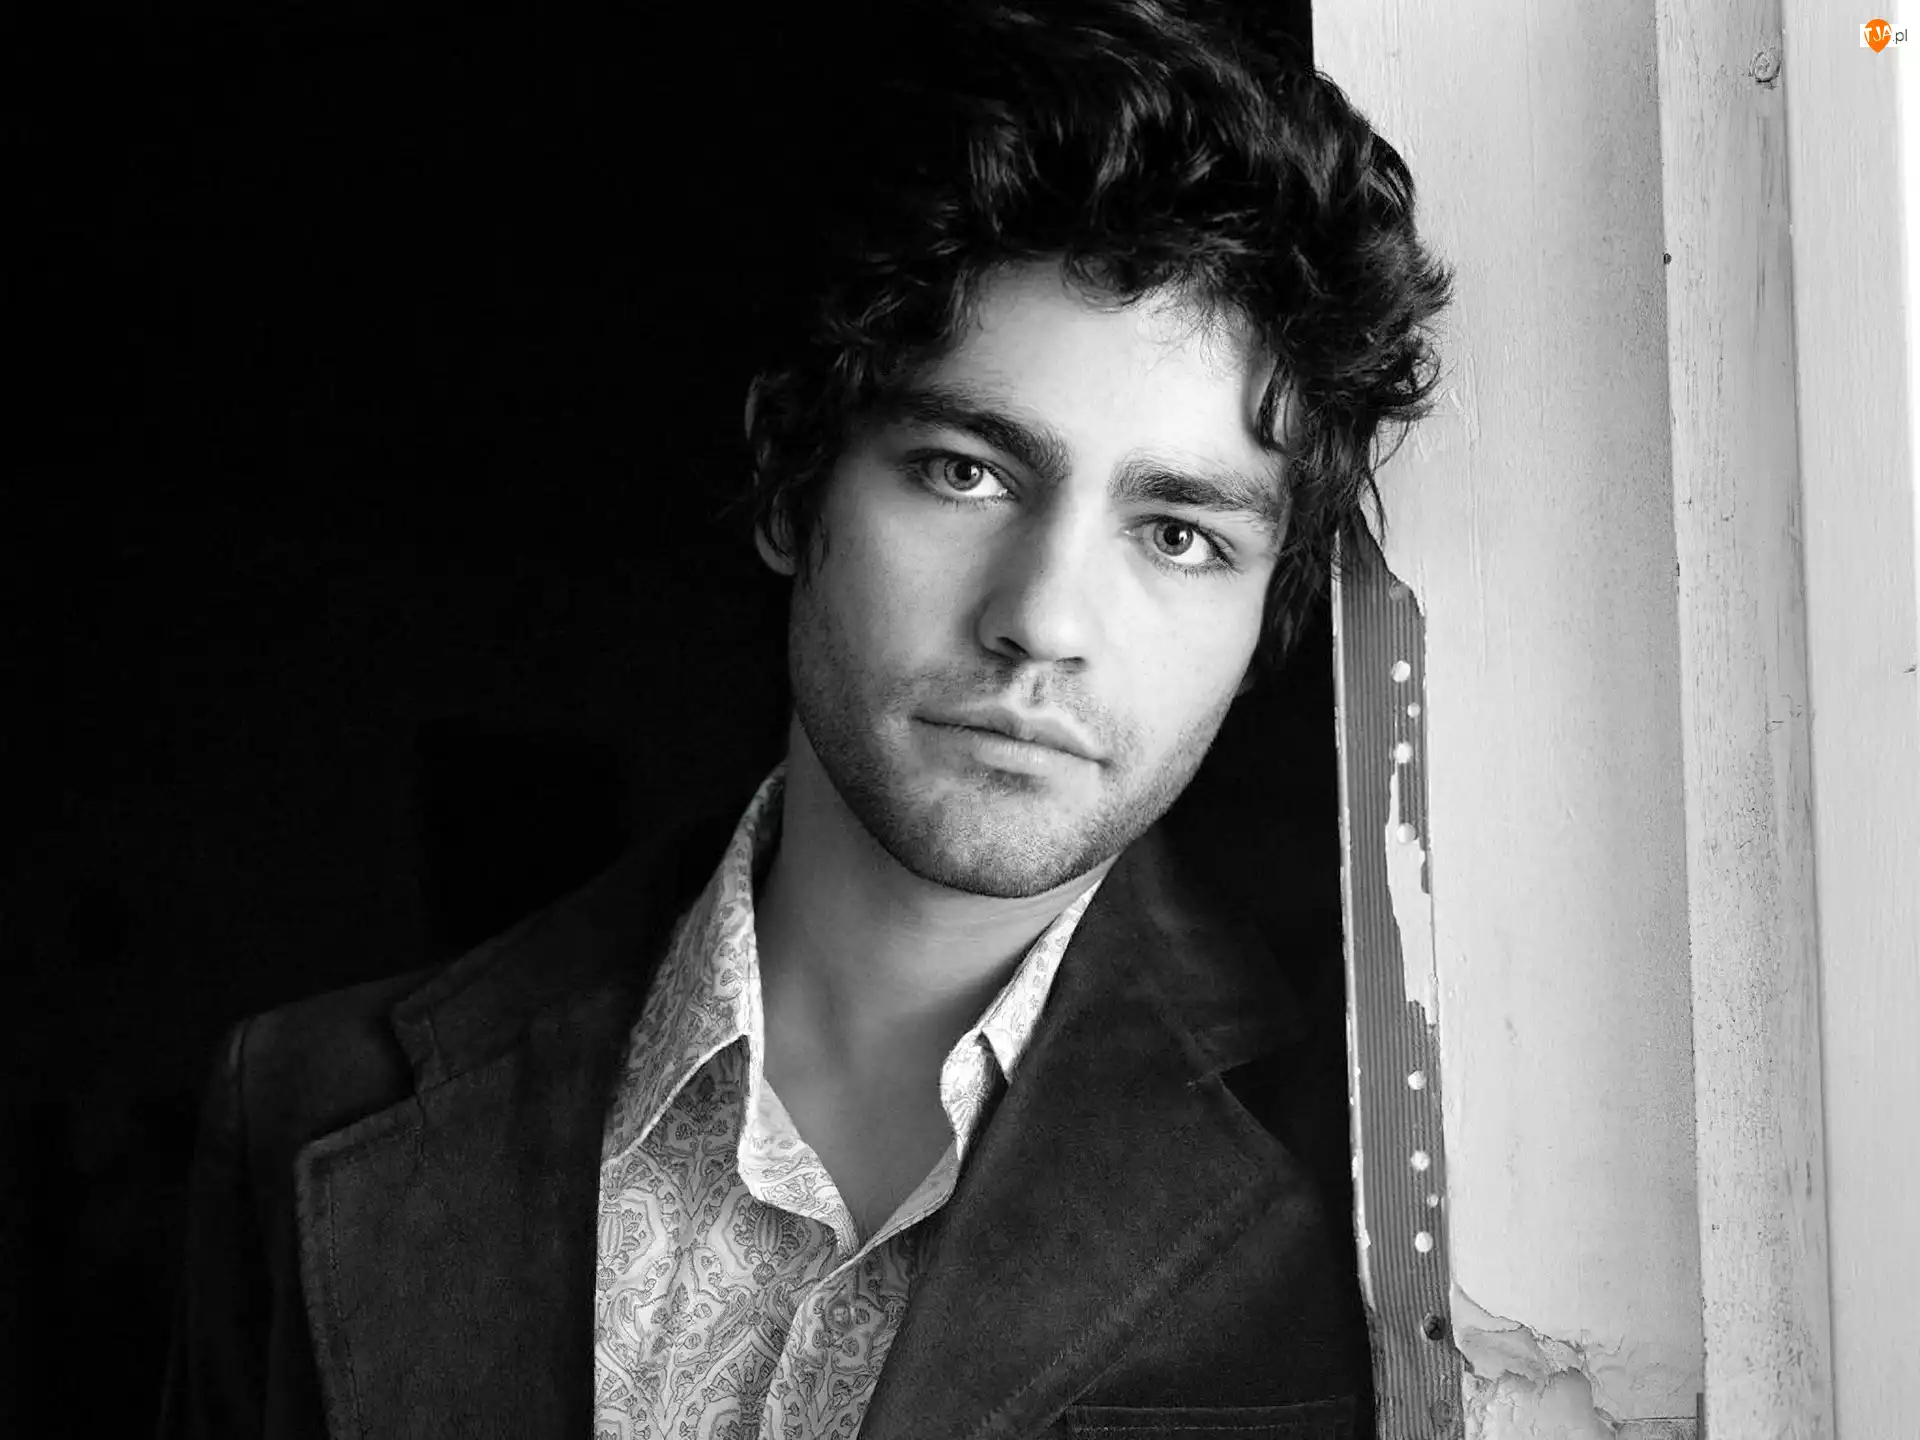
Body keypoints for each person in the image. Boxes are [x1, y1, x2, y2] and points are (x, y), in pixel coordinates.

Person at [157, 1, 1451, 1435]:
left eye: (1180, 535)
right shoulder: (302, 1107)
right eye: (965, 471)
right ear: (790, 484)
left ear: (1269, 620)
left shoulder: (1392, 1183)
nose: (1045, 619)